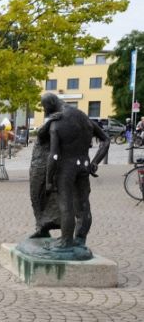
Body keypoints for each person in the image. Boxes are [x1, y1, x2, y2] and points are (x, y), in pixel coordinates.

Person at [39, 93, 109, 251]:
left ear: (51, 103)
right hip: (84, 165)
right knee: (83, 205)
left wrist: (48, 180)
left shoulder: (57, 123)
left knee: (66, 205)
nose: (44, 110)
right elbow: (106, 139)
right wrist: (95, 162)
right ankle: (80, 240)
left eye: (44, 107)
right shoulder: (84, 118)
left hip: (66, 168)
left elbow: (54, 155)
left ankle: (66, 242)